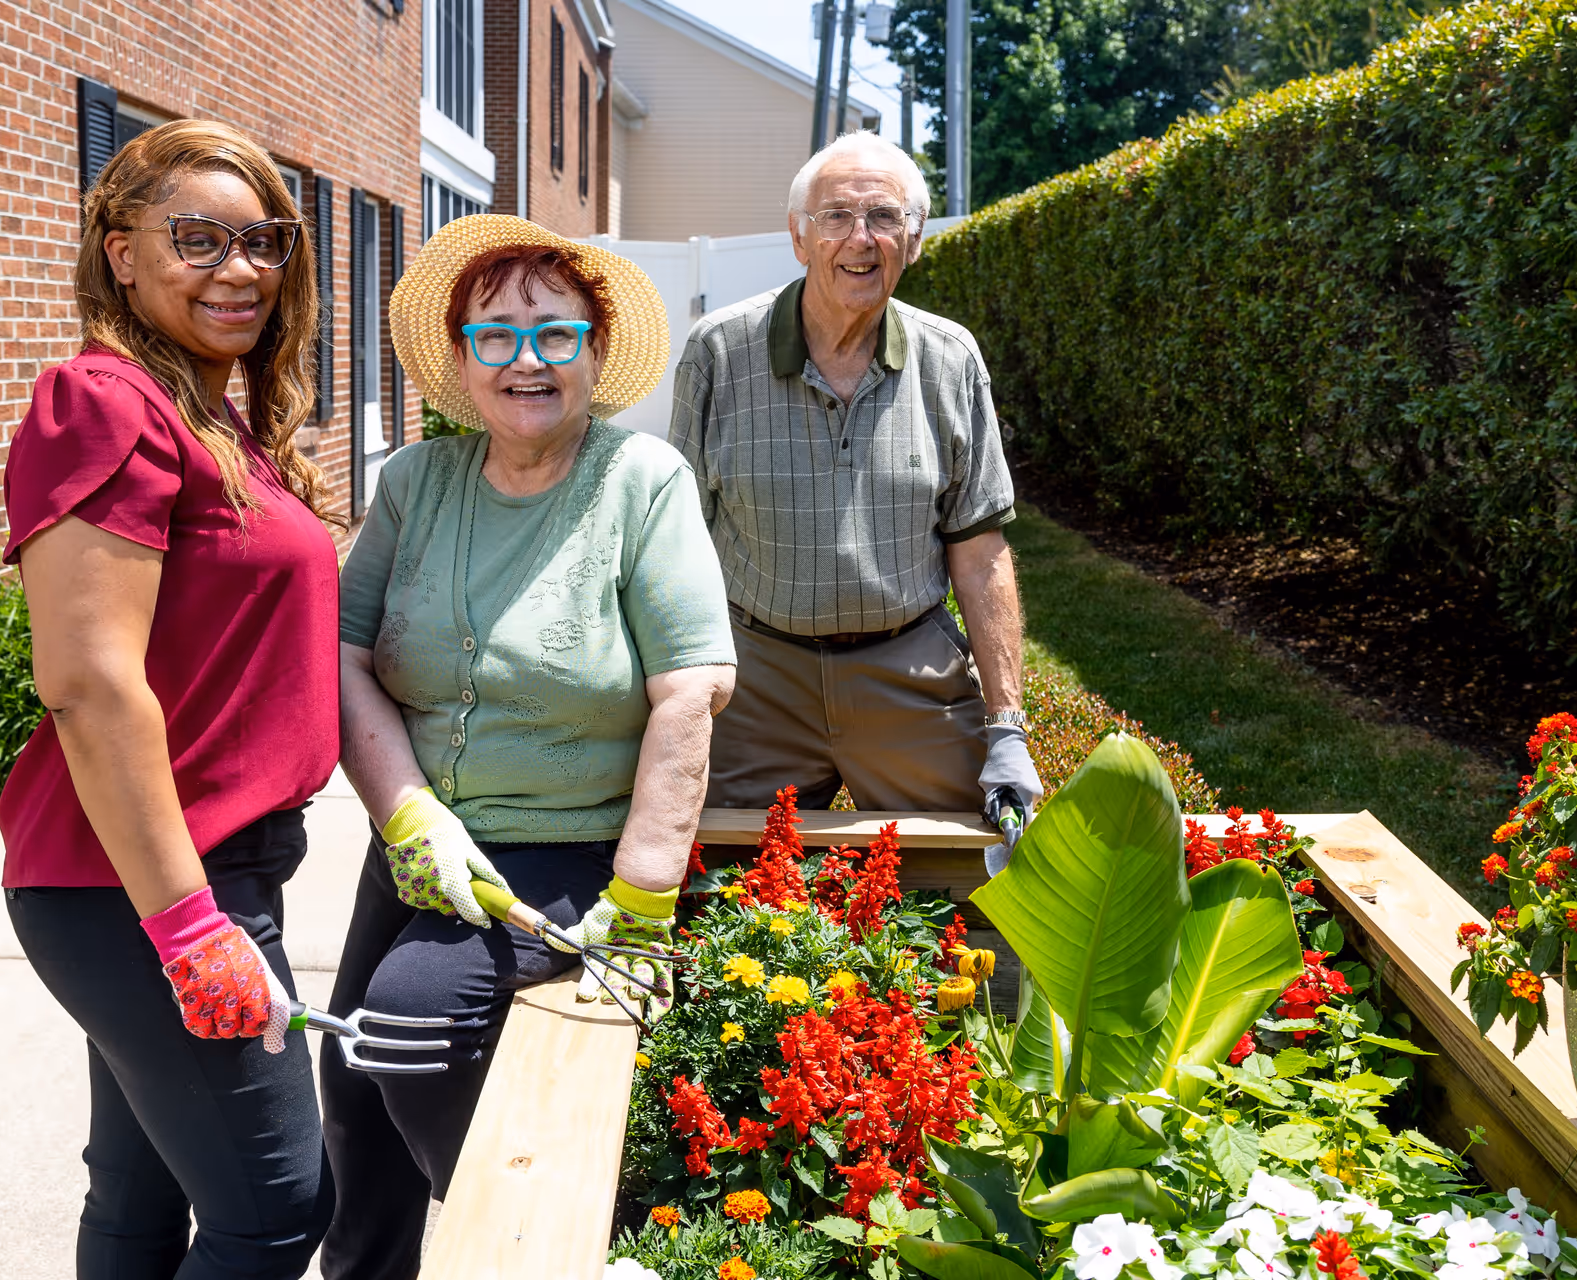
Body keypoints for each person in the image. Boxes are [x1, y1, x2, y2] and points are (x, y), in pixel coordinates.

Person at [319, 214, 734, 1280]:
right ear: (461, 356)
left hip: (574, 848)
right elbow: (344, 654)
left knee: (407, 1021)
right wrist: (406, 809)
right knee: (353, 1083)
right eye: (496, 336)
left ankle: (529, 1247)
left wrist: (643, 893)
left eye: (555, 335)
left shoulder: (641, 481)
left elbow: (692, 689)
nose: (527, 362)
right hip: (420, 842)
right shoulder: (416, 482)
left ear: (595, 351)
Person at [0, 120, 340, 1278]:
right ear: (121, 252)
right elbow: (89, 684)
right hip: (145, 885)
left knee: (143, 1197)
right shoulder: (105, 401)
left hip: (193, 867)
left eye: (264, 240)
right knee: (277, 1206)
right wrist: (192, 930)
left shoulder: (209, 412)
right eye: (198, 238)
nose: (240, 268)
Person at [669, 130, 1044, 850]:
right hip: (756, 676)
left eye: (884, 217)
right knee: (717, 883)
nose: (860, 239)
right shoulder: (718, 353)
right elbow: (674, 545)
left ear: (916, 237)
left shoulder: (952, 359)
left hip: (908, 671)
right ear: (798, 236)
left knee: (981, 874)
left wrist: (1007, 728)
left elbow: (980, 550)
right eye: (836, 217)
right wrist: (664, 702)